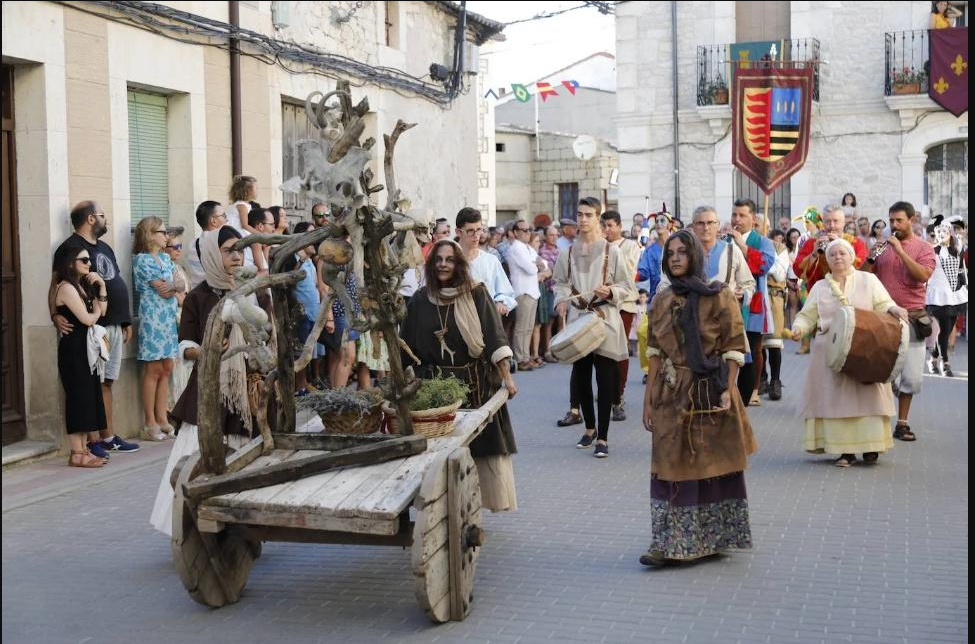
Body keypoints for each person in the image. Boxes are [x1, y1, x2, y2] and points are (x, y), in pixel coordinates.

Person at [639, 230, 755, 567]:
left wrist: (728, 389)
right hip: (671, 392)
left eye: (682, 252)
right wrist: (648, 400)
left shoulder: (719, 296)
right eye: (670, 253)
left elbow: (734, 346)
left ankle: (714, 539)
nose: (675, 258)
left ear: (696, 256)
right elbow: (655, 353)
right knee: (669, 466)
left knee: (712, 465)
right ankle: (668, 543)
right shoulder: (662, 300)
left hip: (710, 390)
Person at [150, 226, 257, 535]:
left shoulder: (251, 290)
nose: (237, 256)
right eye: (228, 250)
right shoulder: (198, 297)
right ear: (211, 254)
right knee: (196, 458)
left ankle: (240, 529)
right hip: (208, 390)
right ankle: (189, 530)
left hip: (244, 391)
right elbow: (185, 345)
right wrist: (208, 349)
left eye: (240, 249)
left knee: (244, 456)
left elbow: (264, 334)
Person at [400, 239, 519, 511]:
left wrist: (508, 378)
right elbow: (405, 346)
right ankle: (441, 505)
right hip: (434, 388)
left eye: (450, 260)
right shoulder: (420, 300)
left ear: (459, 264)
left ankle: (476, 504)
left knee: (483, 444)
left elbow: (494, 337)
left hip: (476, 384)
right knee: (438, 451)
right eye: (438, 260)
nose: (443, 264)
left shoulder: (476, 294)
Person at [790, 239, 907, 466]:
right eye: (833, 254)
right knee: (837, 401)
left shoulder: (868, 280)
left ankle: (871, 446)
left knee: (868, 397)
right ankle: (845, 451)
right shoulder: (820, 287)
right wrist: (798, 328)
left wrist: (894, 309)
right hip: (831, 352)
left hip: (866, 349)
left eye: (842, 253)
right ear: (827, 260)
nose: (838, 257)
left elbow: (883, 303)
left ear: (851, 257)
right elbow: (807, 316)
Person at [51, 201, 139, 458]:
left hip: (112, 323)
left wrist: (124, 319)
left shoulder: (104, 247)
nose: (105, 219)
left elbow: (114, 281)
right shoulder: (70, 248)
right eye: (102, 215)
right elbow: (55, 284)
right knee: (92, 385)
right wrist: (55, 314)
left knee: (107, 381)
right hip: (93, 329)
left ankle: (108, 436)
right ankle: (92, 441)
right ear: (90, 219)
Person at [553, 197, 635, 458]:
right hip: (579, 318)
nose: (583, 219)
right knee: (581, 377)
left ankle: (603, 437)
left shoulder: (612, 251)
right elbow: (560, 283)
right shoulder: (567, 252)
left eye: (588, 215)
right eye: (580, 214)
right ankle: (589, 429)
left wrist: (610, 291)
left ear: (597, 218)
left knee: (606, 378)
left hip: (605, 317)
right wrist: (561, 301)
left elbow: (627, 285)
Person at [861, 201, 936, 443]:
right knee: (880, 371)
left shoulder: (924, 248)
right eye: (891, 220)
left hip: (912, 318)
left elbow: (922, 275)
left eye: (899, 220)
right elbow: (862, 277)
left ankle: (902, 424)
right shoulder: (882, 247)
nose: (894, 225)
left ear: (912, 220)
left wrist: (901, 251)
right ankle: (878, 422)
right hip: (883, 318)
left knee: (911, 377)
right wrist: (871, 257)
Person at [53, 246, 111, 467]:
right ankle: (76, 453)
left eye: (89, 260)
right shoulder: (66, 287)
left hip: (86, 349)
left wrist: (101, 286)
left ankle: (83, 449)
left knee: (87, 397)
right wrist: (94, 313)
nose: (89, 264)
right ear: (70, 263)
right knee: (78, 398)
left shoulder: (82, 285)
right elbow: (88, 319)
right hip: (74, 349)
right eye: (84, 260)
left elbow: (102, 311)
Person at [793, 206, 868, 354]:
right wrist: (814, 253)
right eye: (828, 221)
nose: (831, 226)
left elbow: (863, 268)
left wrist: (841, 245)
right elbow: (798, 270)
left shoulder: (856, 243)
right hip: (823, 304)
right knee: (824, 354)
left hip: (850, 303)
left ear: (843, 223)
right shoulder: (811, 243)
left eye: (836, 221)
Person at [132, 217, 179, 441]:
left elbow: (180, 285)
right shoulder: (142, 260)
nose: (166, 236)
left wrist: (175, 286)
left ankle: (162, 418)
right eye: (162, 232)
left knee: (167, 367)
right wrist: (174, 286)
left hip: (168, 318)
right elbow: (165, 290)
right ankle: (149, 421)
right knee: (153, 369)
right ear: (150, 235)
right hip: (152, 318)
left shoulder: (165, 258)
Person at [728, 199, 777, 406]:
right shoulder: (725, 240)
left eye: (742, 215)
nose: (737, 219)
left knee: (754, 347)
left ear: (753, 218)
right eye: (734, 215)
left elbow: (764, 265)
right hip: (728, 303)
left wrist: (742, 245)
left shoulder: (764, 242)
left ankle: (753, 389)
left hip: (753, 302)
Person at [601, 210, 642, 421]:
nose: (607, 230)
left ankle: (620, 392)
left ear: (619, 226)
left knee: (620, 350)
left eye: (610, 226)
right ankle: (605, 388)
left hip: (624, 303)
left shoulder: (630, 246)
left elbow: (628, 272)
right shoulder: (599, 245)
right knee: (602, 351)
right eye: (604, 226)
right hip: (602, 303)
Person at [925, 217, 967, 377]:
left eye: (944, 231)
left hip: (955, 294)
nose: (941, 234)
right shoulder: (931, 251)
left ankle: (933, 358)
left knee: (948, 330)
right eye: (938, 232)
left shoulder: (957, 250)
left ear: (950, 233)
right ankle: (945, 363)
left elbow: (961, 270)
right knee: (943, 329)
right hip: (937, 295)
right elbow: (926, 272)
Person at [759, 228, 789, 400]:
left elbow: (779, 274)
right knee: (758, 343)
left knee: (774, 341)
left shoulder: (780, 249)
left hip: (773, 297)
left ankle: (775, 380)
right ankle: (761, 378)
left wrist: (764, 259)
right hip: (757, 295)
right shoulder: (751, 244)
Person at [507, 219, 541, 371]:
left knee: (529, 328)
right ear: (515, 232)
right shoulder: (516, 247)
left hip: (532, 291)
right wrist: (537, 264)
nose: (528, 233)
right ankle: (520, 358)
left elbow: (544, 263)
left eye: (529, 229)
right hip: (523, 291)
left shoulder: (527, 248)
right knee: (521, 327)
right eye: (525, 230)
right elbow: (531, 269)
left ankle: (526, 357)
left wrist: (537, 264)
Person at [186, 200, 228, 289]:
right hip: (218, 293)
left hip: (198, 294)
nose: (227, 219)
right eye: (224, 215)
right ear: (213, 220)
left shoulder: (192, 245)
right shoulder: (222, 243)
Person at [636, 210, 676, 302]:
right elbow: (643, 273)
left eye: (662, 221)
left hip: (676, 296)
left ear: (670, 225)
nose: (658, 224)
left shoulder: (677, 246)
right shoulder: (649, 251)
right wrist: (631, 274)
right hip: (656, 298)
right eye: (657, 221)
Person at [529, 230, 553, 366]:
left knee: (538, 324)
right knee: (530, 325)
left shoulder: (537, 256)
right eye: (536, 241)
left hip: (540, 290)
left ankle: (536, 354)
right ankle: (529, 355)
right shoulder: (528, 255)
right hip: (531, 291)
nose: (539, 244)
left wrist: (541, 274)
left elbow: (549, 271)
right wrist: (541, 273)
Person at [537, 225, 562, 361]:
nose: (554, 237)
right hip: (549, 289)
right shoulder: (542, 251)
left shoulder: (559, 250)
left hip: (560, 289)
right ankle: (547, 351)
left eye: (556, 235)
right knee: (548, 321)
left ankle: (558, 350)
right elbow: (550, 270)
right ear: (545, 236)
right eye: (551, 235)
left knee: (560, 319)